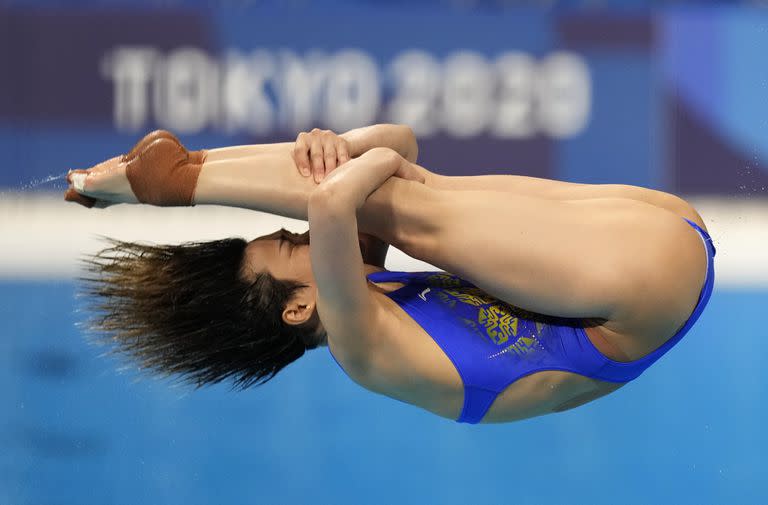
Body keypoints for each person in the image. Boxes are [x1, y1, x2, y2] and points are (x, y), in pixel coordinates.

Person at [65, 124, 715, 424]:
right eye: (290, 245)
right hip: (646, 288)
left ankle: (173, 176)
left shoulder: (364, 280)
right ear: (297, 308)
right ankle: (173, 180)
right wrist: (353, 161)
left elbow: (400, 142)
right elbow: (329, 201)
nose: (302, 235)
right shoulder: (360, 345)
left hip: (655, 243)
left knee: (410, 189)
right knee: (398, 201)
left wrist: (340, 147)